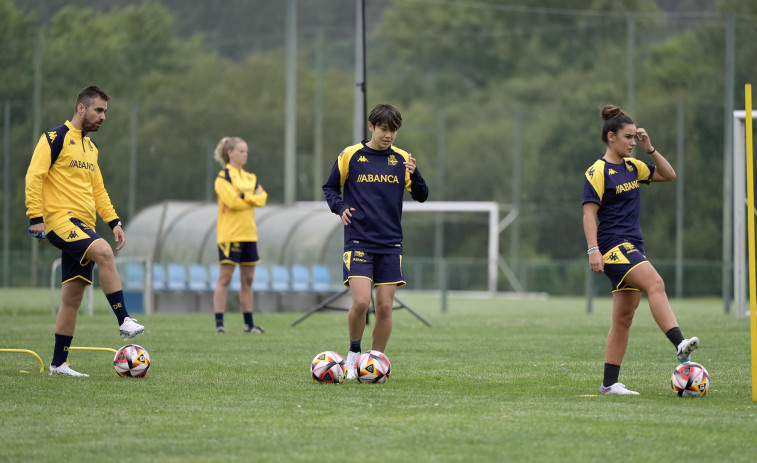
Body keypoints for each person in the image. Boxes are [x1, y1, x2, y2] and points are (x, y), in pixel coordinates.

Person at [25, 85, 145, 377]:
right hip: (60, 222)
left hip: (83, 226)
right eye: (99, 110)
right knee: (103, 251)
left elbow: (98, 191)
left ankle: (58, 364)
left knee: (73, 297)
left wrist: (114, 221)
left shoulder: (91, 148)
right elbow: (34, 176)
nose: (103, 117)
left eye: (105, 111)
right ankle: (124, 320)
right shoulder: (54, 138)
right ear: (81, 108)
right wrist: (35, 217)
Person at [582, 104, 699, 395]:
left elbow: (669, 174)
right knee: (655, 282)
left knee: (623, 318)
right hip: (612, 247)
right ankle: (679, 344)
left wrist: (650, 148)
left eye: (636, 137)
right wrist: (593, 250)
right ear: (611, 137)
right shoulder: (597, 171)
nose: (633, 142)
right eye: (628, 137)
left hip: (633, 247)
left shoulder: (634, 167)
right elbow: (588, 214)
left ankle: (609, 384)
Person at [323, 103, 429, 380]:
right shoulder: (351, 155)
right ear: (371, 126)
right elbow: (330, 187)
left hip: (390, 243)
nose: (389, 135)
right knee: (360, 302)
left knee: (384, 306)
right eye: (384, 129)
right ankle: (355, 354)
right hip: (358, 240)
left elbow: (421, 195)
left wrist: (416, 174)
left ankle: (375, 362)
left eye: (393, 131)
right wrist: (339, 207)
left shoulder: (403, 159)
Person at [212, 136, 268, 334]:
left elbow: (263, 198)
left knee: (248, 280)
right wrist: (249, 198)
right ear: (230, 153)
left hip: (249, 234)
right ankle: (219, 324)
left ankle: (249, 324)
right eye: (241, 151)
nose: (245, 155)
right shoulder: (223, 178)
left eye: (246, 151)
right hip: (230, 235)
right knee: (225, 278)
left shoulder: (250, 177)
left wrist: (245, 196)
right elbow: (233, 202)